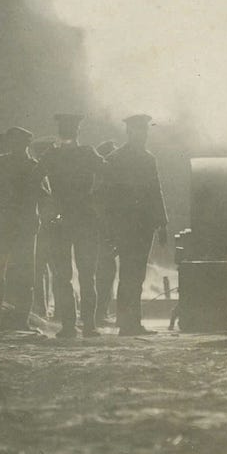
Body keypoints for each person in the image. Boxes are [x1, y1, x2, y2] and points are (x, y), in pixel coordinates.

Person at [37, 113, 105, 341]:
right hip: (78, 219)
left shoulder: (53, 155)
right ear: (76, 131)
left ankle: (75, 325)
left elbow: (35, 178)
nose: (70, 132)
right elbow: (107, 173)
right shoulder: (85, 153)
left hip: (67, 219)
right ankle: (84, 325)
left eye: (70, 128)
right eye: (69, 129)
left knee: (71, 276)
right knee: (80, 276)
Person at [0, 126, 50, 334]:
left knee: (21, 275)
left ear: (26, 144)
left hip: (17, 226)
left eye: (18, 142)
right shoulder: (3, 164)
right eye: (13, 142)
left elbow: (44, 196)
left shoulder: (29, 166)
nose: (15, 146)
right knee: (6, 274)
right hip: (8, 226)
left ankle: (14, 322)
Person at [103, 115, 168, 337]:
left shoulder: (145, 159)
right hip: (127, 226)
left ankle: (131, 322)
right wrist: (109, 229)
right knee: (130, 274)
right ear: (130, 132)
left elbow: (155, 192)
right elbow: (108, 198)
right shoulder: (115, 159)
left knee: (136, 274)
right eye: (140, 132)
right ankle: (127, 323)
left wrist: (162, 224)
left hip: (142, 227)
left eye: (146, 132)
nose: (144, 136)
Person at [92, 139, 120, 324]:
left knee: (105, 271)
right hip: (102, 231)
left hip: (103, 231)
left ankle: (101, 312)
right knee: (105, 272)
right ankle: (100, 313)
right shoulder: (103, 181)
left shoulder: (100, 179)